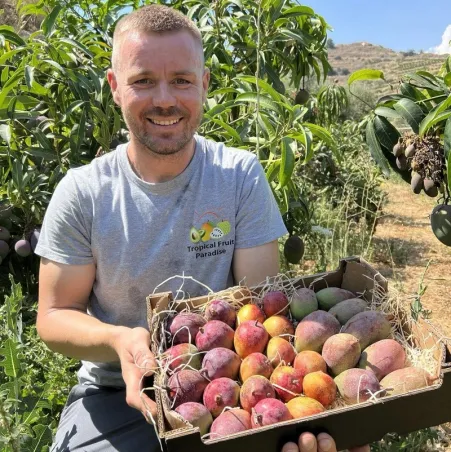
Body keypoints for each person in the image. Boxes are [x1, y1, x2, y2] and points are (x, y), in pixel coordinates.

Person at [35, 5, 368, 452]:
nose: (166, 100)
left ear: (205, 84)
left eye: (183, 80)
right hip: (116, 392)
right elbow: (54, 317)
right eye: (143, 80)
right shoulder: (84, 192)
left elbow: (261, 309)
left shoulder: (238, 176)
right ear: (115, 87)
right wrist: (121, 340)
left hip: (226, 388)